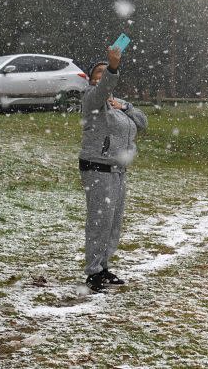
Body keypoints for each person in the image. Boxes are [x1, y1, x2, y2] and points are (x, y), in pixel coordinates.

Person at [79, 45, 148, 292]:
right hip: (98, 168)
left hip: (118, 171)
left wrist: (126, 107)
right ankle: (93, 272)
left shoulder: (118, 104)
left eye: (104, 72)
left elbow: (142, 122)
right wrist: (112, 66)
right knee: (99, 221)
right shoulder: (92, 99)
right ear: (92, 79)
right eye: (98, 73)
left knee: (113, 222)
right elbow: (103, 88)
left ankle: (103, 267)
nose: (102, 75)